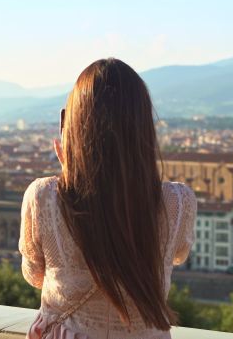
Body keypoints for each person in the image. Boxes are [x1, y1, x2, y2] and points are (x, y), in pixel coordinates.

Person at [19, 58, 197, 339]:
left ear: (72, 128)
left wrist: (72, 173)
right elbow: (178, 255)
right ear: (143, 129)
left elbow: (35, 275)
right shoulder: (178, 202)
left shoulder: (43, 197)